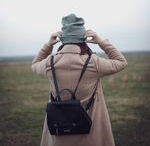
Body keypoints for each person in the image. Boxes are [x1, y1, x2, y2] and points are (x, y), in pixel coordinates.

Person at [32, 14, 128, 146]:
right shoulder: (93, 63)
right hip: (90, 134)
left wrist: (48, 45)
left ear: (62, 40)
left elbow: (35, 64)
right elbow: (121, 62)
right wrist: (101, 42)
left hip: (59, 134)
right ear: (83, 39)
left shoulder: (50, 63)